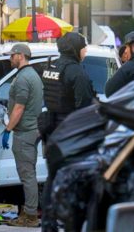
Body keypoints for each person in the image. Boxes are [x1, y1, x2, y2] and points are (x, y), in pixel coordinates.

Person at [40, 32, 94, 232]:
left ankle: (49, 223)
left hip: (51, 129)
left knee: (53, 177)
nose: (85, 51)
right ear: (75, 49)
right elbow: (85, 107)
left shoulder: (51, 66)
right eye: (84, 47)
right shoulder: (76, 72)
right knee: (74, 179)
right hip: (70, 132)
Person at [1, 44, 43, 228]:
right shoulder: (31, 75)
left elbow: (19, 107)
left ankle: (31, 215)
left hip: (25, 132)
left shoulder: (24, 78)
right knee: (29, 173)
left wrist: (8, 129)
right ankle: (28, 211)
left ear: (21, 56)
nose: (10, 59)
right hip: (31, 130)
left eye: (12, 56)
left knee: (27, 175)